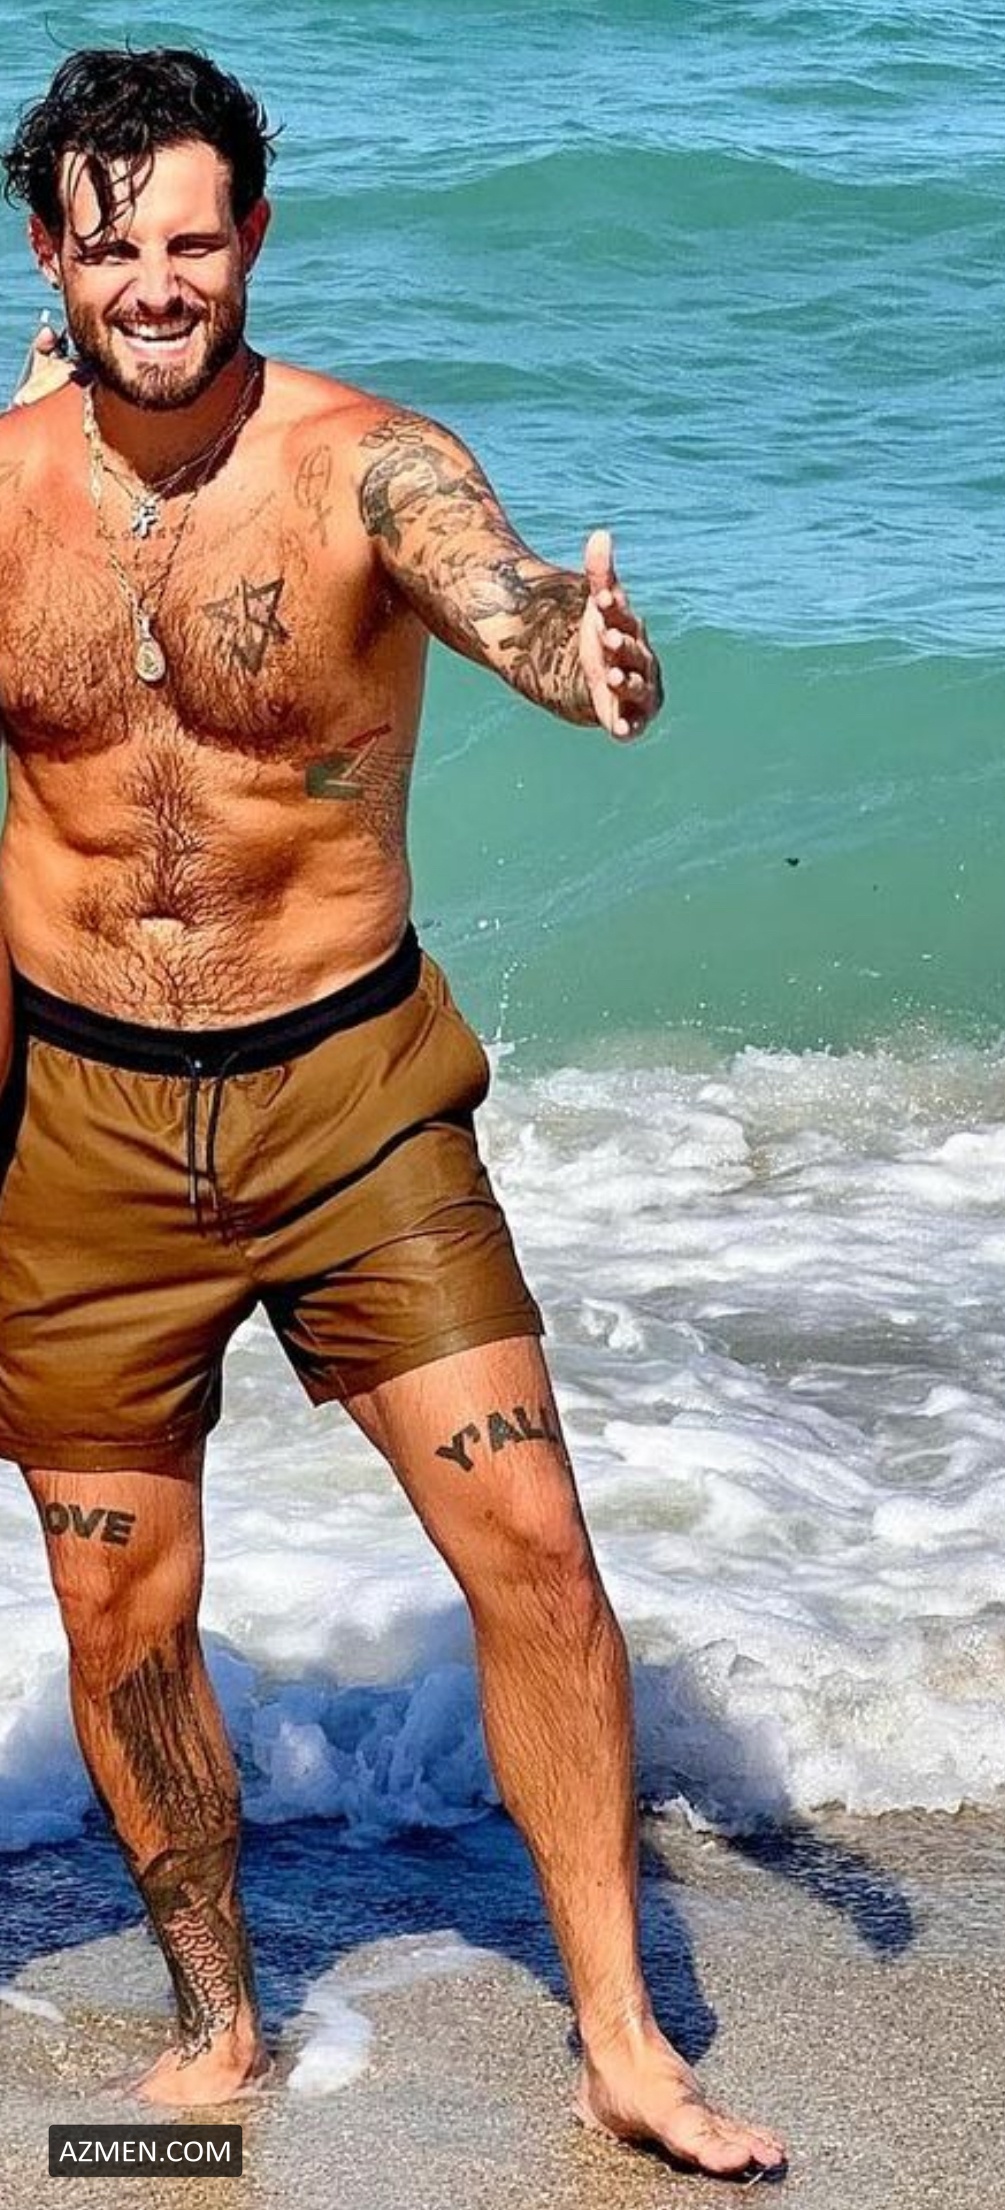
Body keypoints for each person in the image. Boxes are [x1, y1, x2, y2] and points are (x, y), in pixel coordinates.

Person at [0, 48, 785, 2179]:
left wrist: (580, 654)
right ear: (49, 254)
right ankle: (216, 2026)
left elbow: (498, 587)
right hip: (78, 1134)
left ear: (251, 235)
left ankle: (621, 2039)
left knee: (530, 1545)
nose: (157, 283)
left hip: (350, 1103)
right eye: (112, 248)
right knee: (118, 1615)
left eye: (193, 240)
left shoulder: (366, 466)